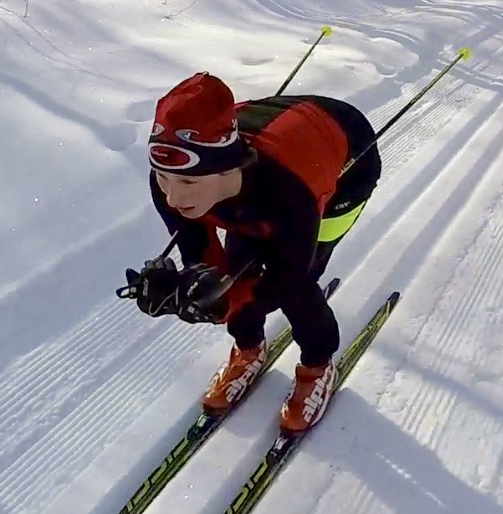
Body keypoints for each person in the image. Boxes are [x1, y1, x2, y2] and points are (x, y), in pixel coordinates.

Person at [125, 73, 382, 433]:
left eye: (186, 182)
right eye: (162, 178)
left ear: (225, 167)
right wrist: (195, 288)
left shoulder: (290, 196)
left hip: (346, 158)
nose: (172, 197)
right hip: (266, 149)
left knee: (300, 284)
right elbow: (202, 257)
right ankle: (248, 348)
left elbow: (286, 280)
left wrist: (226, 304)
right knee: (234, 267)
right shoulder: (169, 178)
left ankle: (318, 364)